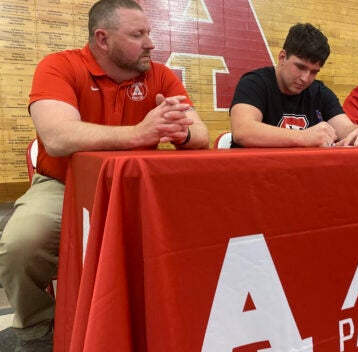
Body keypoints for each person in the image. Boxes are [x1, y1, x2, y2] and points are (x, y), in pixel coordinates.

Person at [0, 0, 209, 350]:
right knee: (22, 245)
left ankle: (177, 321)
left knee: (204, 233)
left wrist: (179, 131)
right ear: (103, 38)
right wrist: (140, 134)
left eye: (150, 32)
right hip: (65, 185)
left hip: (140, 190)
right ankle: (38, 331)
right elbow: (58, 136)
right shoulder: (59, 66)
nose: (150, 43)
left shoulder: (160, 75)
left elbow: (200, 136)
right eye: (137, 34)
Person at [229, 23, 358, 148]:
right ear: (282, 57)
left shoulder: (320, 92)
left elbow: (345, 129)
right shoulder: (254, 82)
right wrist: (303, 137)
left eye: (314, 72)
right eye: (300, 67)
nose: (306, 78)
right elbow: (243, 131)